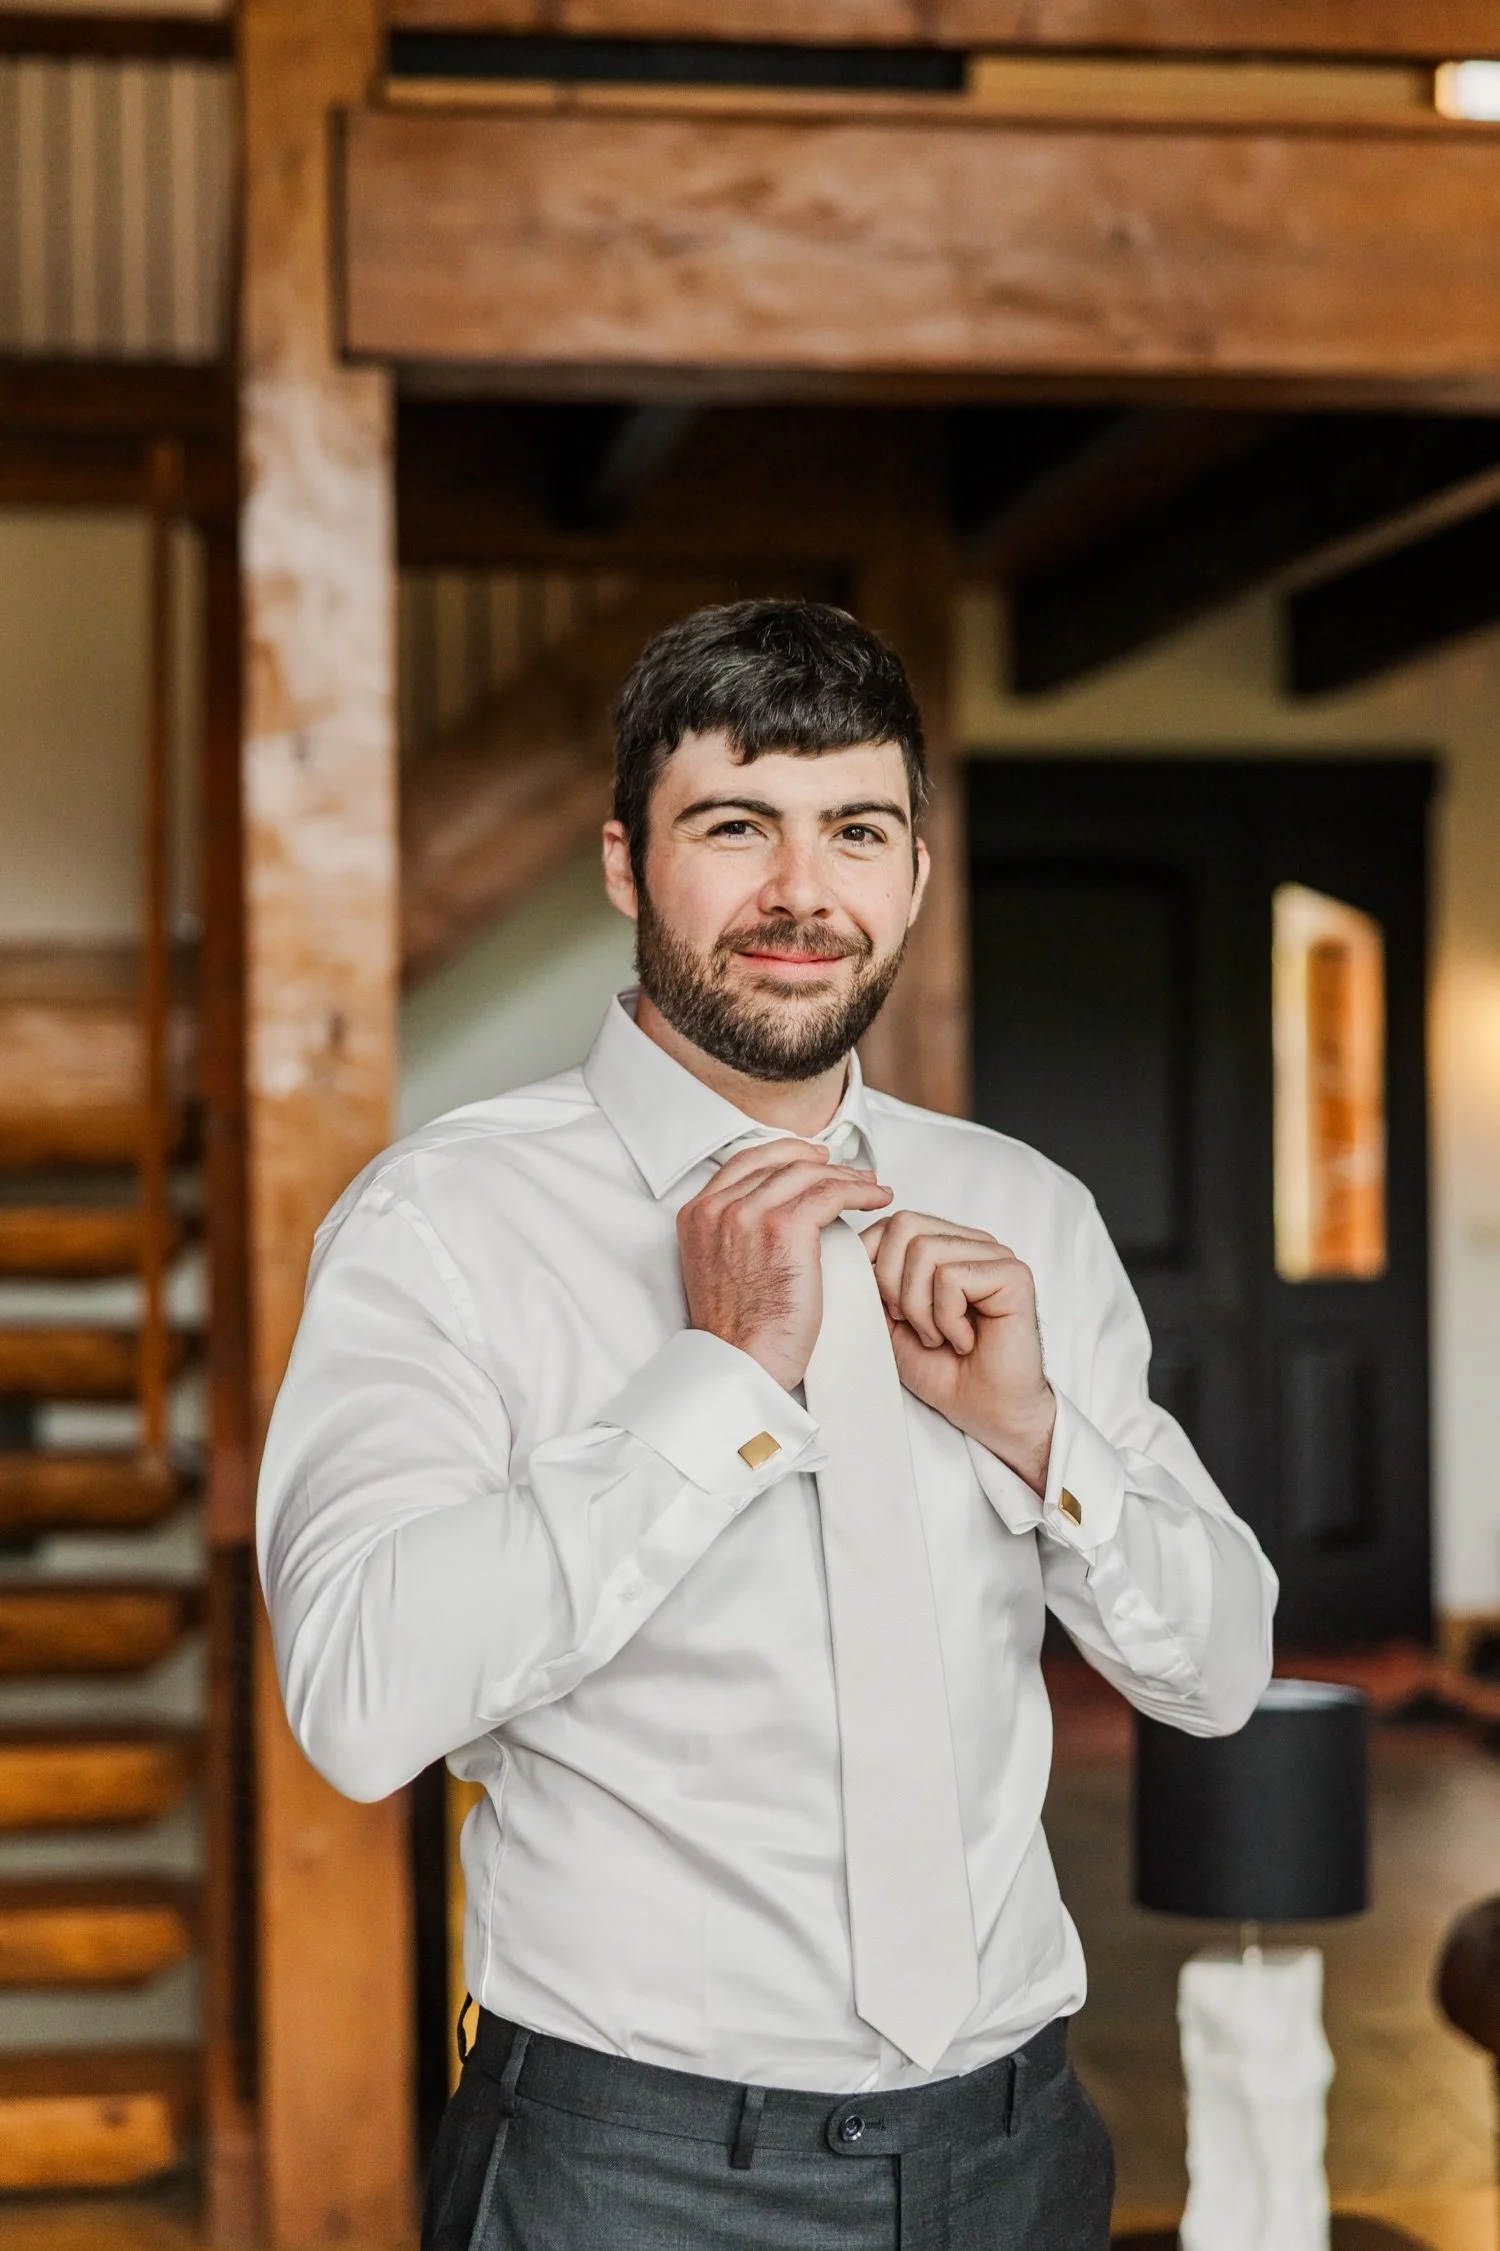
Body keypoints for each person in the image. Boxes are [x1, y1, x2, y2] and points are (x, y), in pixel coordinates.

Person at [258, 599, 1276, 2251]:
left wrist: (1036, 1441)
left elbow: (1223, 1668)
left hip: (1018, 2150)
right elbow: (361, 1702)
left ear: (916, 878)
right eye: (736, 826)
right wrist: (717, 1383)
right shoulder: (441, 1220)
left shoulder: (1025, 1209)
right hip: (626, 2172)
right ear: (622, 863)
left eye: (857, 831)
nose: (803, 893)